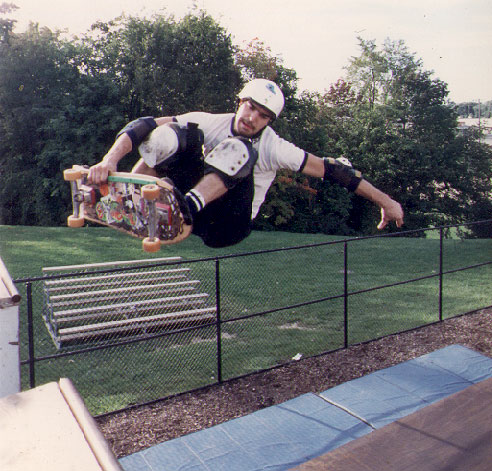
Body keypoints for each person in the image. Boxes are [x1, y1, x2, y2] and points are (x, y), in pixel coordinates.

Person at [88, 78, 404, 248]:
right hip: (198, 207)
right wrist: (109, 160)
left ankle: (184, 206)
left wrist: (387, 202)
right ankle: (131, 196)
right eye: (250, 108)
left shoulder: (275, 148)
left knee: (241, 149)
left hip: (229, 224)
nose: (252, 119)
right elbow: (143, 125)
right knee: (168, 134)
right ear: (239, 102)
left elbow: (333, 171)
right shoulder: (208, 121)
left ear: (269, 121)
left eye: (262, 116)